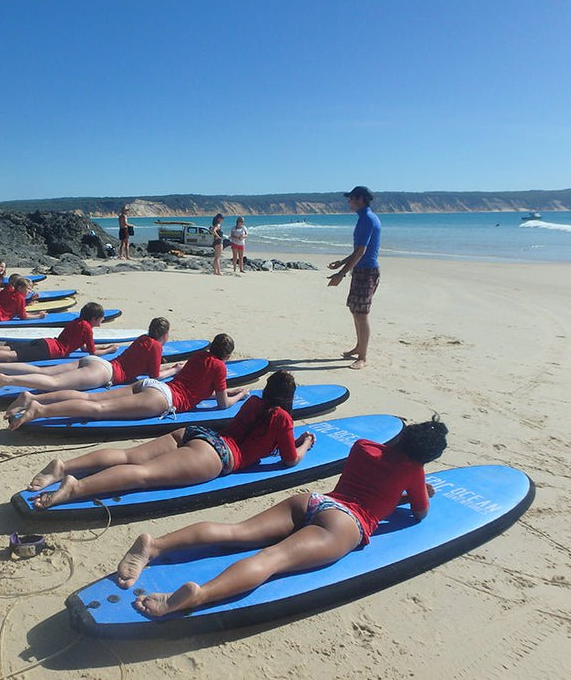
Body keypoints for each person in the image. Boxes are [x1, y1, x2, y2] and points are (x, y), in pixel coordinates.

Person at [118, 415, 448, 617]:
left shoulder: (363, 446)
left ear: (407, 433)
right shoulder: (414, 471)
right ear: (425, 456)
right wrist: (414, 493)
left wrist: (398, 492)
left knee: (236, 531)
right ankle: (199, 595)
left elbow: (371, 483)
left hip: (314, 502)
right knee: (272, 559)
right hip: (345, 523)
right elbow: (420, 513)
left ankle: (154, 546)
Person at [27, 370, 315, 509]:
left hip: (200, 433)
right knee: (143, 475)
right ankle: (76, 488)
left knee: (130, 456)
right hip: (219, 455)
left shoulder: (253, 403)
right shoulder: (283, 419)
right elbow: (289, 460)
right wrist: (304, 444)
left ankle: (64, 467)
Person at [6, 333, 249, 430]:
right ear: (227, 356)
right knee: (97, 410)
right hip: (163, 398)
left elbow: (198, 389)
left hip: (151, 386)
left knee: (90, 398)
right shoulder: (219, 367)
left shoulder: (199, 356)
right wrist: (240, 395)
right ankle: (40, 410)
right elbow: (221, 404)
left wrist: (228, 390)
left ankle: (33, 397)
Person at [0, 316, 178, 397]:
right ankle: (7, 379)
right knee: (54, 382)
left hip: (97, 362)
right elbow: (154, 376)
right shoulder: (155, 346)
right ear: (164, 335)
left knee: (44, 371)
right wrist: (175, 369)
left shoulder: (142, 338)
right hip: (105, 373)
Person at [0, 302, 116, 369]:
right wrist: (108, 350)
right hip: (51, 351)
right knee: (9, 356)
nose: (101, 322)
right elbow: (92, 352)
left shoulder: (76, 322)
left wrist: (100, 348)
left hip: (46, 342)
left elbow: (85, 347)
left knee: (6, 348)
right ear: (94, 318)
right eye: (101, 319)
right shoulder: (87, 328)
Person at [327, 186, 381, 370]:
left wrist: (341, 274)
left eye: (350, 198)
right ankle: (359, 346)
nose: (348, 202)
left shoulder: (367, 219)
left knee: (361, 313)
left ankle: (363, 357)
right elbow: (358, 251)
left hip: (367, 272)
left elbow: (361, 252)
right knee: (355, 310)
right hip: (361, 270)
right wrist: (341, 263)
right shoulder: (364, 218)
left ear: (359, 199)